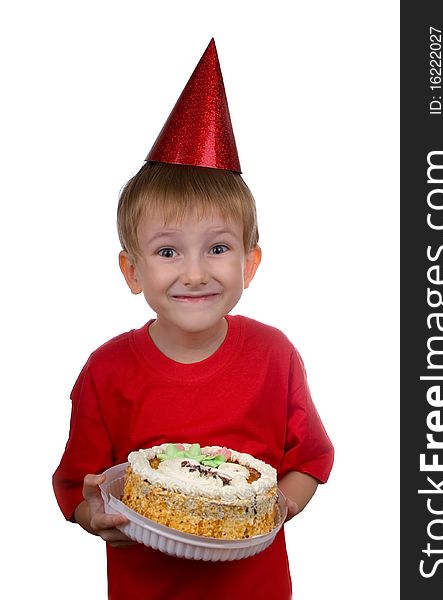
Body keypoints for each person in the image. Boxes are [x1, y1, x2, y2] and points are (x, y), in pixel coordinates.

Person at [53, 39, 334, 600]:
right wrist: (94, 515)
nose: (195, 273)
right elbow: (79, 489)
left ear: (250, 263)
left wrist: (279, 507)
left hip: (255, 588)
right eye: (166, 252)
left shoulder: (275, 356)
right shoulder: (106, 371)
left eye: (219, 248)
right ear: (131, 271)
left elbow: (309, 460)